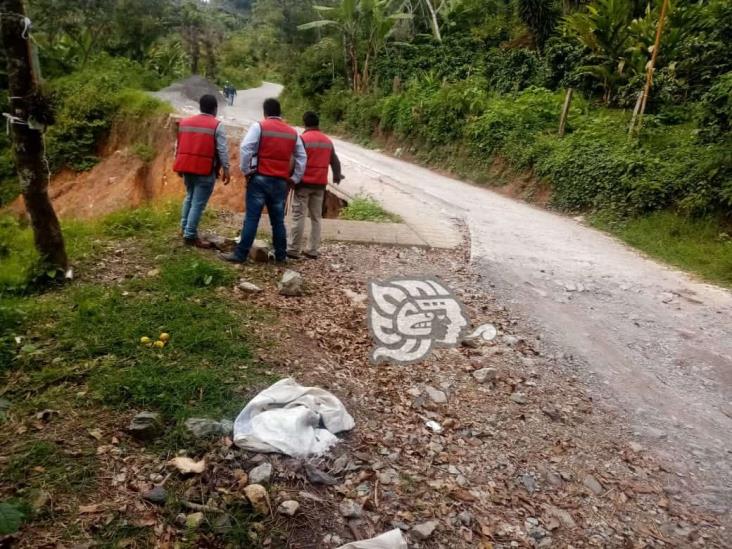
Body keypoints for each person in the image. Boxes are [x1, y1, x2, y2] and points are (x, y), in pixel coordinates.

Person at [221, 98, 306, 263]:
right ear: (280, 113)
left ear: (265, 113)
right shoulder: (292, 132)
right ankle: (281, 256)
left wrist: (247, 171)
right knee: (277, 221)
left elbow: (246, 148)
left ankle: (240, 255)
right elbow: (302, 157)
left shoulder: (259, 127)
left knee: (252, 218)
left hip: (259, 180)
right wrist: (294, 178)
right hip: (280, 182)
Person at [173, 94, 230, 248]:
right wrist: (226, 169)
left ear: (200, 107)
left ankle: (184, 228)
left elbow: (178, 146)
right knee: (198, 203)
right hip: (205, 170)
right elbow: (222, 150)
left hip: (186, 168)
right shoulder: (217, 125)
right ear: (215, 109)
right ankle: (190, 235)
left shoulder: (185, 122)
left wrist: (177, 164)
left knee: (189, 197)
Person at [287, 111, 343, 260]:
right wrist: (337, 176)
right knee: (316, 218)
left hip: (303, 184)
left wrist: (290, 178)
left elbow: (294, 160)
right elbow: (335, 161)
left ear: (304, 123)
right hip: (320, 185)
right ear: (318, 123)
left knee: (299, 215)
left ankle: (293, 249)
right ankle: (312, 250)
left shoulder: (302, 139)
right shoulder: (327, 140)